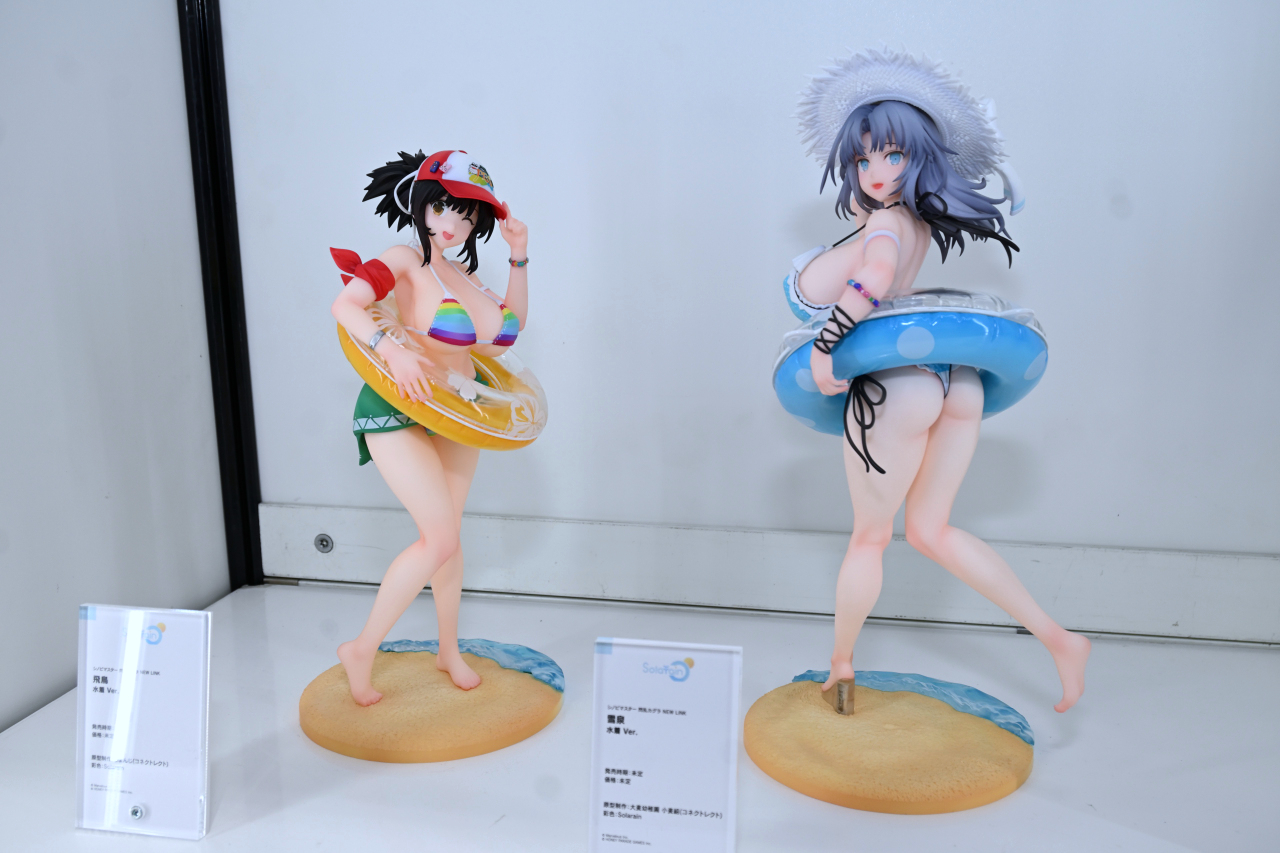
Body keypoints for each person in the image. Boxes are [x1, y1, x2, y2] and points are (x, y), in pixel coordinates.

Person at [791, 52, 1090, 712]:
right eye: (862, 159)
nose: (874, 172)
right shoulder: (916, 220)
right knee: (931, 530)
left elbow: (873, 277)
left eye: (892, 155)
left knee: (870, 538)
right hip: (957, 382)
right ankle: (1058, 638)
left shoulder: (885, 224)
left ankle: (841, 666)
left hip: (899, 385)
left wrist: (826, 344)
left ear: (918, 156)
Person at [329, 149, 529, 705]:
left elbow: (506, 334)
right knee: (437, 537)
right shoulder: (403, 257)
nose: (454, 224)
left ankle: (448, 649)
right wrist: (392, 351)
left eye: (466, 214)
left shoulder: (462, 272)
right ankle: (360, 649)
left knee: (450, 539)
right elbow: (346, 305)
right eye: (443, 208)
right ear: (419, 204)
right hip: (400, 407)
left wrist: (518, 254)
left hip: (458, 410)